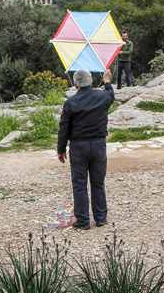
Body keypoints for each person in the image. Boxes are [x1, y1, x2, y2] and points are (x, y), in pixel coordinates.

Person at [57, 68, 114, 230]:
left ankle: (83, 220)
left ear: (75, 84)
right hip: (98, 145)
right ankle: (100, 218)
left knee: (79, 184)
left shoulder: (70, 103)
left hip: (78, 146)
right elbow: (111, 95)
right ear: (92, 82)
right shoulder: (102, 97)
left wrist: (61, 149)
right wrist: (107, 81)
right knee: (98, 182)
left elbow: (63, 128)